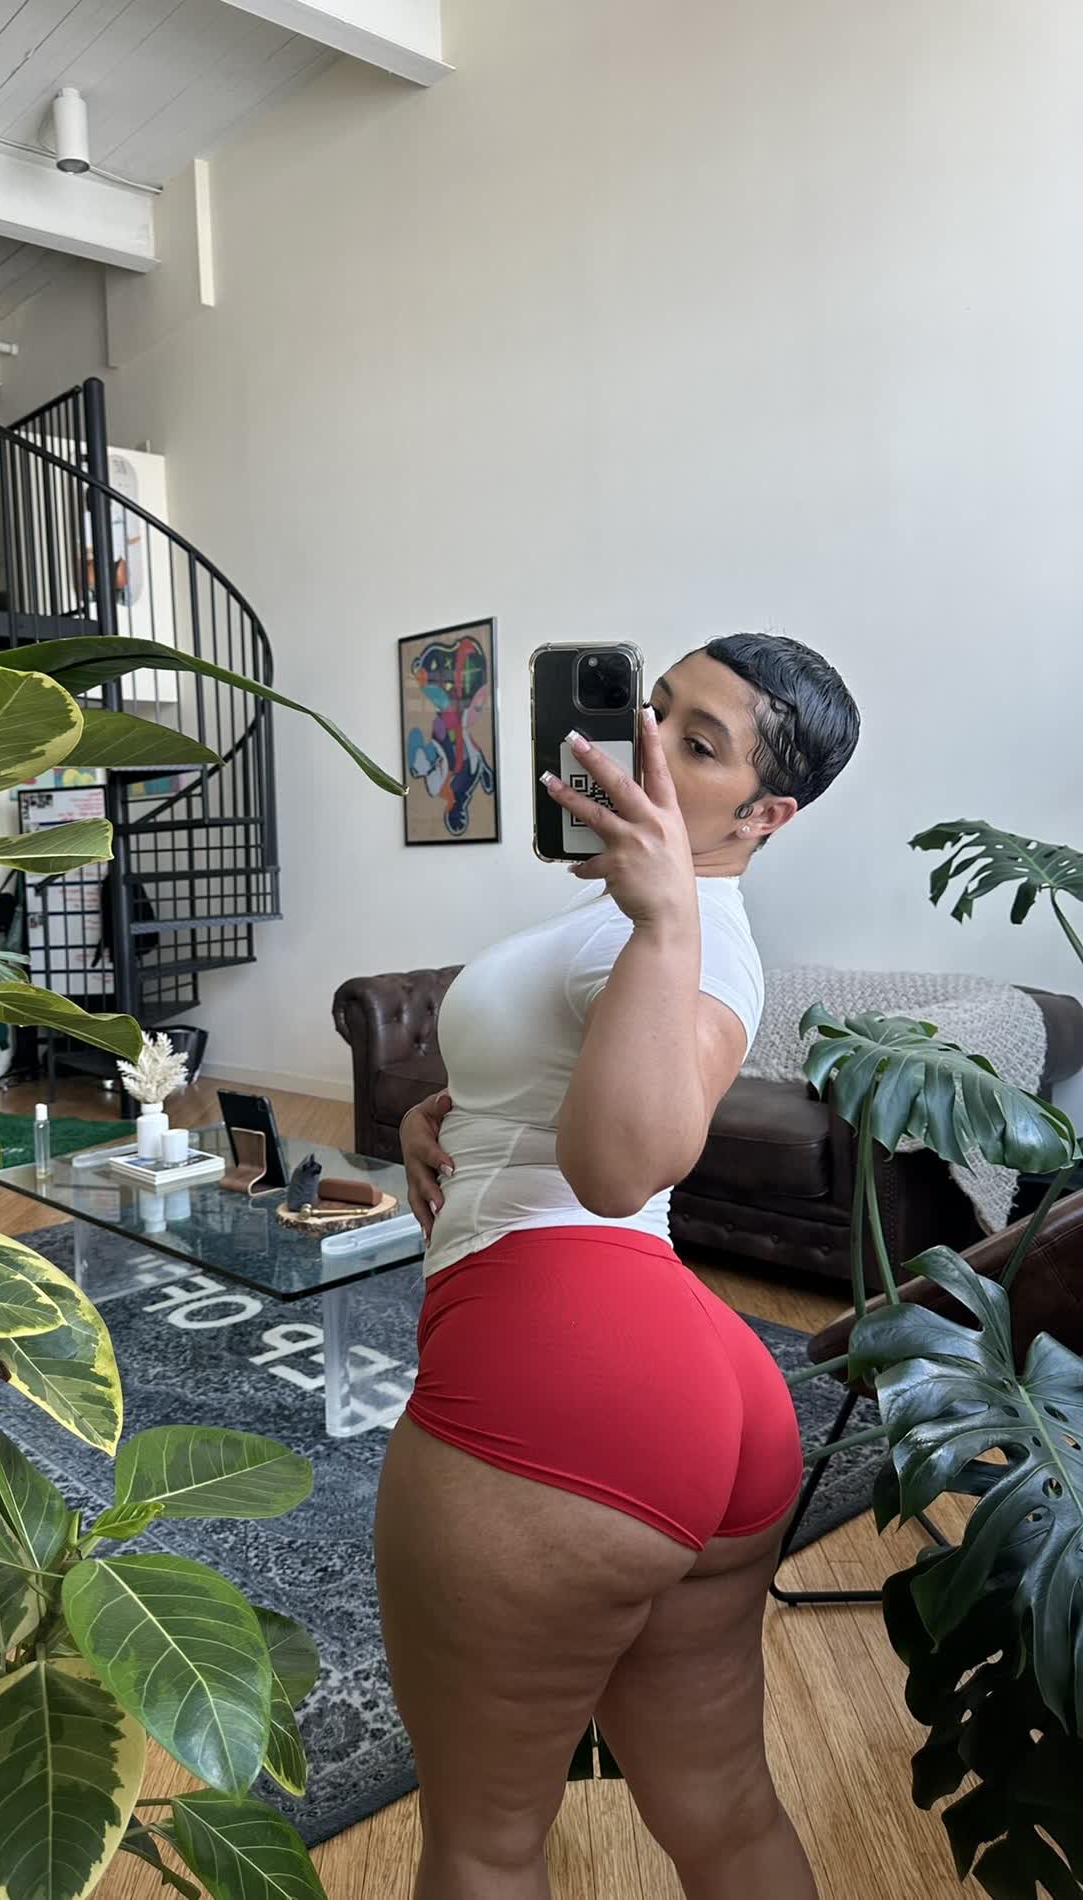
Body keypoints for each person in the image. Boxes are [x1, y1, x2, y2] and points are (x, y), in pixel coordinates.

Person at [377, 634, 861, 1900]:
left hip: (566, 1381)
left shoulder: (697, 934)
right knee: (726, 1810)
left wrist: (662, 919)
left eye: (698, 744)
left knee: (485, 1842)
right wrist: (451, 1110)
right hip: (694, 1384)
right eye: (654, 710)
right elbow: (572, 1087)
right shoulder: (624, 919)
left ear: (764, 815)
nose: (646, 747)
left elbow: (625, 1164)